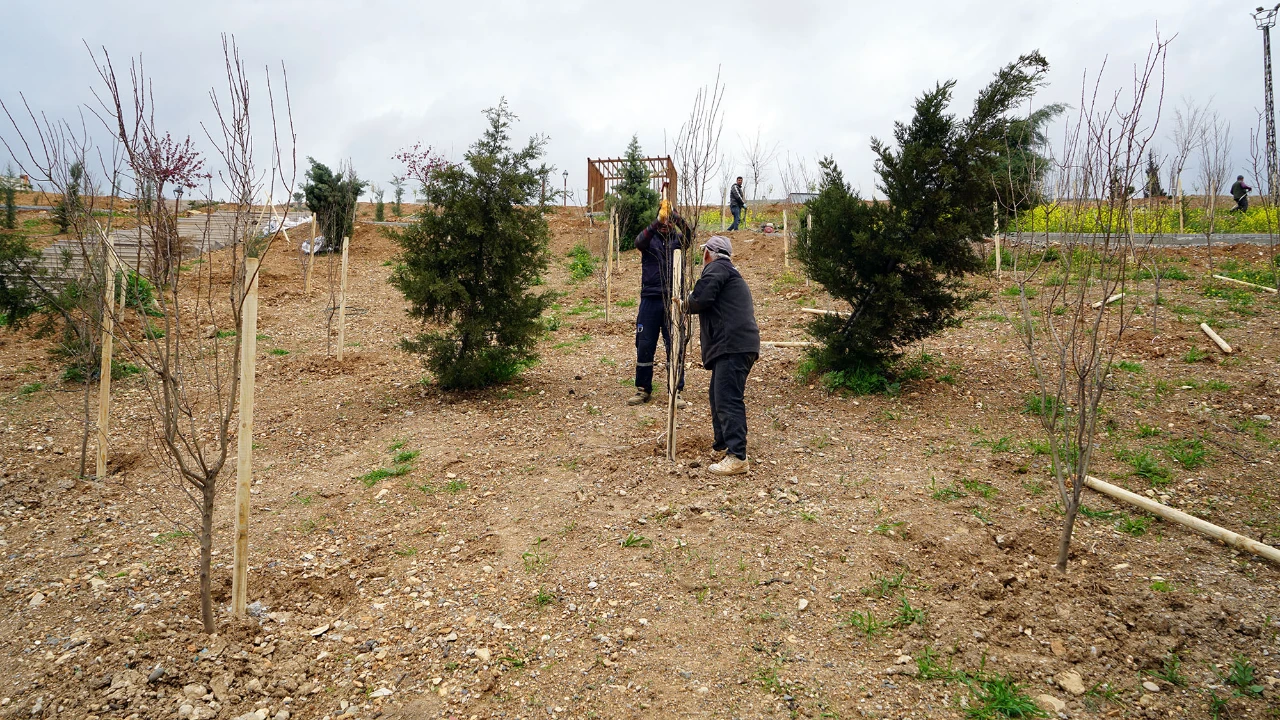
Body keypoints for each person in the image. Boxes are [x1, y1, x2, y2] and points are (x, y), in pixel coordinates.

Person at [684, 235, 760, 476]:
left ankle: (738, 457)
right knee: (718, 396)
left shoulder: (717, 268)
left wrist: (685, 302)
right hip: (737, 344)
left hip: (732, 345)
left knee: (727, 399)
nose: (702, 257)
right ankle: (725, 444)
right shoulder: (729, 272)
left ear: (708, 253)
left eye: (703, 252)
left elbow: (699, 300)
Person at [629, 205, 691, 407]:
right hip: (650, 299)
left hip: (673, 300)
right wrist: (657, 221)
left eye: (669, 220)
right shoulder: (649, 239)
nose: (666, 223)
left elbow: (690, 234)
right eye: (663, 219)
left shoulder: (678, 240)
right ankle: (643, 389)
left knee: (675, 345)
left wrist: (676, 216)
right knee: (644, 344)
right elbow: (638, 241)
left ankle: (675, 390)